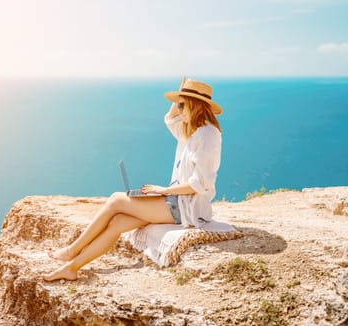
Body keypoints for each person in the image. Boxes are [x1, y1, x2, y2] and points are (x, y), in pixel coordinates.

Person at [43, 77, 223, 281]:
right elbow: (169, 119)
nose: (179, 110)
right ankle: (71, 268)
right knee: (118, 222)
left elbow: (199, 184)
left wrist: (163, 191)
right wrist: (181, 94)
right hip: (175, 202)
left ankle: (71, 250)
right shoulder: (191, 130)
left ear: (195, 105)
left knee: (116, 200)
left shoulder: (208, 135)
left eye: (182, 105)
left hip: (186, 208)